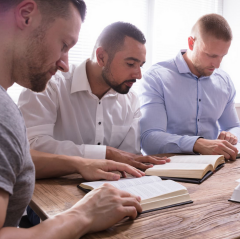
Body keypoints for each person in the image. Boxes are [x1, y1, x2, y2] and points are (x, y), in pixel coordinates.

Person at [0, 0, 142, 239]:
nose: (64, 64)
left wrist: (79, 163)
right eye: (64, 44)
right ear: (26, 16)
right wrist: (83, 214)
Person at [18, 21, 169, 170]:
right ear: (101, 57)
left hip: (111, 185)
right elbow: (32, 146)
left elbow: (128, 157)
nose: (139, 75)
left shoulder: (132, 100)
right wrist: (105, 153)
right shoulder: (49, 85)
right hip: (49, 189)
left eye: (141, 65)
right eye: (130, 64)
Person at [138, 13, 240, 160]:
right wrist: (197, 144)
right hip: (167, 167)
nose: (217, 65)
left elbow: (234, 126)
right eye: (211, 55)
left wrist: (231, 135)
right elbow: (149, 139)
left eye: (222, 56)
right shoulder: (157, 77)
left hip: (214, 166)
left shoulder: (224, 81)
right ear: (191, 43)